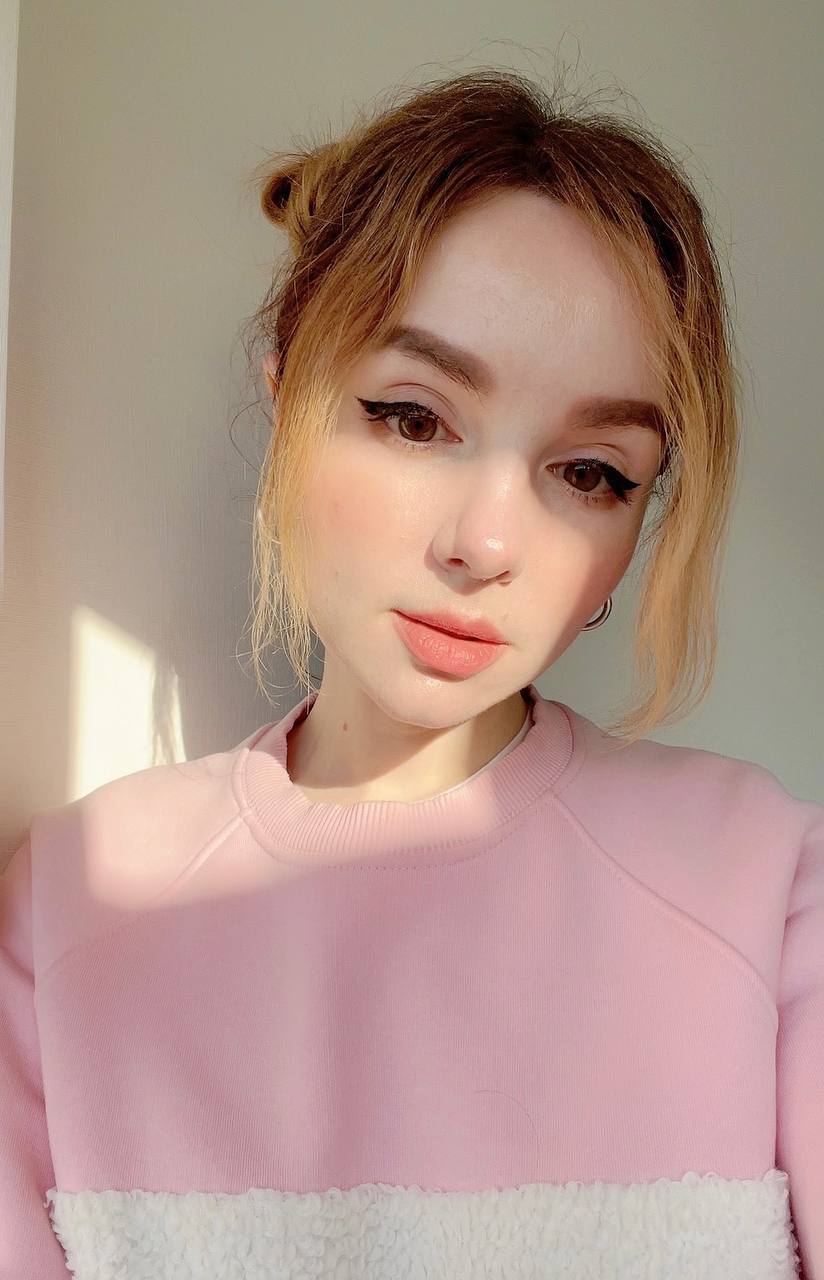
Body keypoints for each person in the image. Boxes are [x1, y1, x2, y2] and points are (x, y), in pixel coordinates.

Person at [1, 68, 821, 1279]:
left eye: (589, 472)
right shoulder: (77, 901)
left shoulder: (762, 883)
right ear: (287, 397)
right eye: (413, 416)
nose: (483, 544)